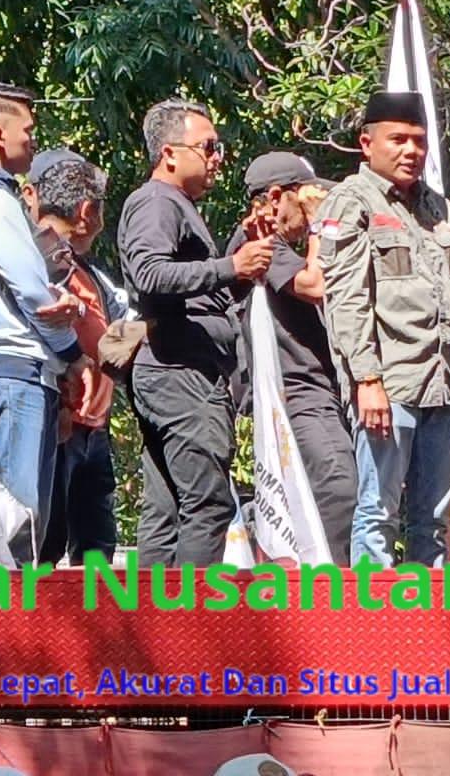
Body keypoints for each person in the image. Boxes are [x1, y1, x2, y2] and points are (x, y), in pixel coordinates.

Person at [320, 91, 450, 567]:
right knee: (378, 512)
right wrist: (367, 380)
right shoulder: (350, 202)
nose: (411, 151)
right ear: (366, 143)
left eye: (419, 141)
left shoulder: (440, 209)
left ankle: (427, 627)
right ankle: (374, 631)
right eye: (397, 139)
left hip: (446, 383)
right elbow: (348, 300)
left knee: (433, 519)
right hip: (390, 384)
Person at [116, 98, 273, 565]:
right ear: (169, 153)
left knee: (167, 509)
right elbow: (150, 275)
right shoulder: (156, 202)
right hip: (179, 372)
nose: (218, 156)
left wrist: (238, 264)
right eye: (208, 146)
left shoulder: (173, 206)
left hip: (175, 368)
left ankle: (153, 624)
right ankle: (188, 624)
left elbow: (198, 286)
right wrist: (230, 266)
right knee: (208, 503)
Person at [0, 82, 89, 559]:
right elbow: (34, 291)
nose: (33, 139)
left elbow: (39, 288)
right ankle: (3, 631)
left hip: (23, 374)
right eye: (27, 130)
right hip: (12, 375)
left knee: (24, 526)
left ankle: (15, 627)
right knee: (13, 526)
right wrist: (75, 355)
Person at [227, 152, 357, 565]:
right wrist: (322, 225)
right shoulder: (258, 242)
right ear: (278, 197)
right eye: (307, 203)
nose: (311, 215)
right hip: (297, 394)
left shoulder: (277, 244)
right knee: (339, 488)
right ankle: (327, 599)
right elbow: (315, 285)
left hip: (319, 390)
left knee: (338, 494)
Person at [21, 149, 124, 565]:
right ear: (86, 210)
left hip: (92, 423)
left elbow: (118, 320)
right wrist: (63, 404)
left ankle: (97, 627)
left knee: (95, 541)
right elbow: (44, 327)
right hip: (64, 420)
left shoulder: (85, 268)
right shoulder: (44, 258)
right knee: (48, 540)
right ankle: (37, 629)